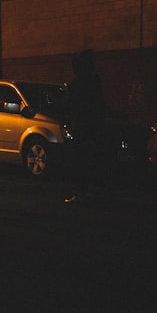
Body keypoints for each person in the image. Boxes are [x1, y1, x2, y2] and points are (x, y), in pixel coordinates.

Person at [64, 49, 107, 205]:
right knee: (92, 160)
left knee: (81, 160)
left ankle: (82, 192)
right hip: (94, 127)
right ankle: (95, 191)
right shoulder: (95, 80)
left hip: (83, 127)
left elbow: (72, 105)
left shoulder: (80, 83)